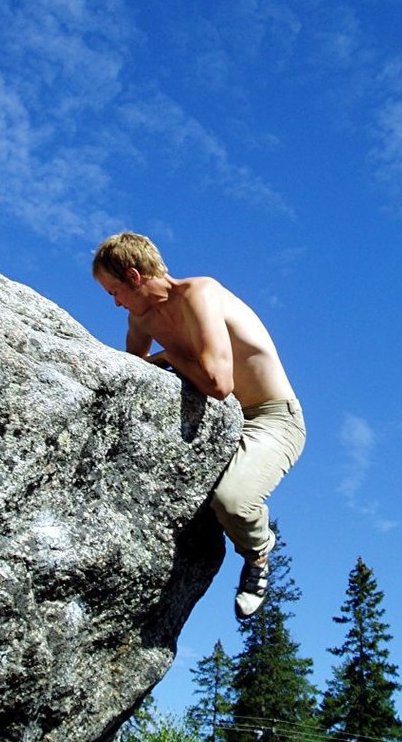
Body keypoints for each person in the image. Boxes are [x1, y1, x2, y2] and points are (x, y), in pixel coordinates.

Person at [93, 232, 306, 620]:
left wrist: (171, 356)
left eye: (114, 291)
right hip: (222, 421)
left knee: (233, 502)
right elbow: (133, 371)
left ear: (134, 277)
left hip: (272, 417)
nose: (116, 303)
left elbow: (219, 384)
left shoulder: (199, 293)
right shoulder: (140, 319)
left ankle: (258, 554)